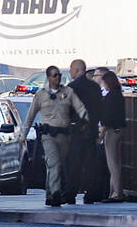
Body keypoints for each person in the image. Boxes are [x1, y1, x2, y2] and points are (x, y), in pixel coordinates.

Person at [22, 65, 88, 207]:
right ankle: (56, 193)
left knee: (55, 166)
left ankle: (49, 193)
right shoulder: (41, 94)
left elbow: (80, 108)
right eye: (54, 75)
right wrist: (23, 136)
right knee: (54, 163)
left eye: (58, 75)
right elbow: (30, 116)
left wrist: (87, 121)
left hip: (64, 135)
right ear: (48, 77)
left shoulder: (68, 92)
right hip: (48, 135)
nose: (57, 77)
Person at [64, 59, 106, 204]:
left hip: (76, 130)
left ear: (76, 70)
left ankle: (71, 194)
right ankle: (91, 194)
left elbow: (67, 109)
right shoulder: (94, 87)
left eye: (71, 69)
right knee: (91, 164)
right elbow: (100, 108)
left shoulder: (72, 87)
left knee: (74, 164)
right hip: (91, 129)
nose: (70, 72)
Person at [94, 68, 127, 202]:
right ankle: (113, 192)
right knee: (115, 162)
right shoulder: (118, 95)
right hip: (118, 130)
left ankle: (116, 193)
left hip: (111, 131)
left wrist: (100, 134)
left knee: (113, 163)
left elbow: (107, 118)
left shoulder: (110, 97)